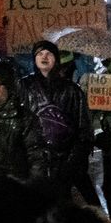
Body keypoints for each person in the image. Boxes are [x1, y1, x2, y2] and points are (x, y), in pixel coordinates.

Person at [20, 40, 94, 204]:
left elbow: (84, 130)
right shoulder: (23, 86)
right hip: (33, 165)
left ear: (56, 59)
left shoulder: (72, 90)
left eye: (48, 53)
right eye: (39, 54)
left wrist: (71, 163)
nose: (44, 57)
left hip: (63, 165)